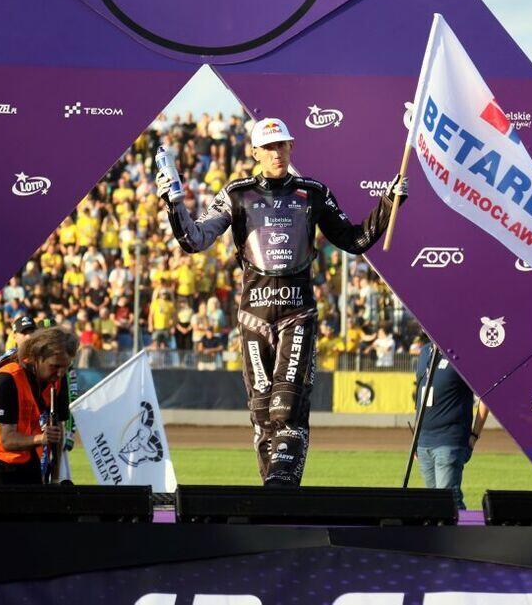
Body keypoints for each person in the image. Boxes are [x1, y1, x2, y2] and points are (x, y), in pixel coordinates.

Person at [158, 116, 407, 486]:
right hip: (253, 317)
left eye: (282, 145)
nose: (277, 153)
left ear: (292, 147)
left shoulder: (314, 192)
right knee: (262, 414)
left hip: (297, 314)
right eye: (269, 147)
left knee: (285, 408)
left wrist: (389, 202)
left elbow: (355, 241)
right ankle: (271, 495)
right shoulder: (236, 193)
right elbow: (194, 240)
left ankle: (281, 486)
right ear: (255, 152)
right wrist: (174, 205)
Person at [0, 327, 75, 485]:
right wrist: (41, 438)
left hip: (24, 453)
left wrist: (55, 476)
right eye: (55, 366)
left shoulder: (57, 379)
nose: (60, 373)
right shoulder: (8, 379)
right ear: (37, 358)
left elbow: (57, 429)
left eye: (65, 367)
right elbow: (7, 440)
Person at [414, 342, 490, 509]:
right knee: (435, 505)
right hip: (424, 442)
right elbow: (419, 397)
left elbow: (486, 395)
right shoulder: (425, 351)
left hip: (449, 440)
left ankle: (463, 526)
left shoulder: (462, 352)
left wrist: (475, 434)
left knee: (449, 503)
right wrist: (416, 439)